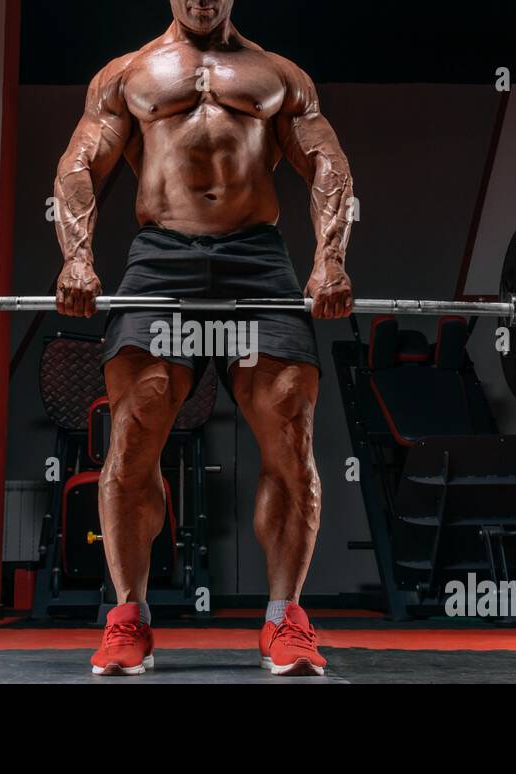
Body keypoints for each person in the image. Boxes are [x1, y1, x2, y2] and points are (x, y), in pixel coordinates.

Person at [52, 0, 354, 676]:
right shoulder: (128, 74)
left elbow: (328, 165)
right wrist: (77, 256)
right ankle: (128, 617)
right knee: (134, 432)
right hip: (163, 259)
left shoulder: (279, 75)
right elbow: (79, 166)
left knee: (289, 426)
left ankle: (285, 622)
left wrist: (329, 258)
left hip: (256, 259)